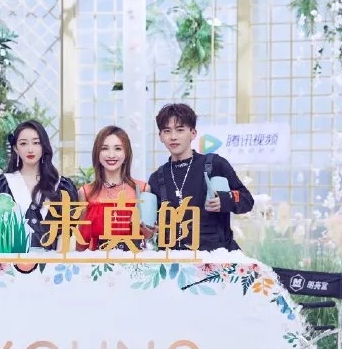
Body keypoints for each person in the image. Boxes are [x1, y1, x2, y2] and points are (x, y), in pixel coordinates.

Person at [146, 103, 254, 251]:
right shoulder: (157, 178)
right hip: (174, 259)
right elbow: (153, 224)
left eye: (180, 130)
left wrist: (224, 200)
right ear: (160, 136)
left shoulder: (215, 164)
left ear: (193, 133)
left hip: (215, 256)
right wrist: (150, 228)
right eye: (167, 131)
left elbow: (247, 200)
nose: (173, 137)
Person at [0, 120, 79, 251]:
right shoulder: (1, 186)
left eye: (36, 143)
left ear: (44, 146)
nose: (30, 149)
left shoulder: (62, 186)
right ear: (16, 148)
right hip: (12, 261)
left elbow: (65, 233)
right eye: (23, 143)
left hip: (52, 261)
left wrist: (58, 261)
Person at [77, 126, 152, 250]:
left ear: (126, 153)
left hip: (134, 260)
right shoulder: (86, 192)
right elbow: (81, 241)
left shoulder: (142, 189)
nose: (111, 155)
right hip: (97, 260)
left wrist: (149, 231)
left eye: (118, 148)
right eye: (104, 148)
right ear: (97, 153)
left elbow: (148, 235)